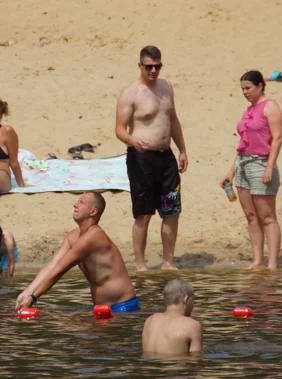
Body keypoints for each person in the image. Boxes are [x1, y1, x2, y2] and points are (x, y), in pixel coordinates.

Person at [115, 45, 188, 271]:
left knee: (171, 211)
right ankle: (140, 265)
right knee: (144, 213)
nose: (153, 71)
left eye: (157, 66)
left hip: (166, 157)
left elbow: (172, 119)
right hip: (141, 159)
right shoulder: (131, 93)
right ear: (140, 66)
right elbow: (119, 129)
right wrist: (132, 140)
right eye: (149, 67)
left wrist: (182, 150)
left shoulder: (166, 87)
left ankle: (168, 262)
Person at [15, 192, 139, 312]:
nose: (75, 205)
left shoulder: (95, 235)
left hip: (124, 306)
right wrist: (26, 292)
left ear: (93, 211)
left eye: (81, 202)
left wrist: (33, 298)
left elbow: (60, 270)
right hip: (101, 309)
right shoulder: (72, 237)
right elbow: (53, 265)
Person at [221, 70, 282, 270]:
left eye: (248, 88)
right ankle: (257, 260)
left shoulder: (271, 107)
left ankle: (272, 263)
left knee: (267, 216)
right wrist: (231, 171)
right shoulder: (248, 110)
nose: (245, 92)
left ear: (260, 86)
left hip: (261, 163)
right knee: (251, 216)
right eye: (242, 89)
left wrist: (269, 167)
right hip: (243, 163)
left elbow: (277, 138)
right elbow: (243, 143)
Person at [142, 277, 202, 355]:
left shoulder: (149, 320)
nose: (193, 304)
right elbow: (195, 360)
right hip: (175, 365)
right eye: (192, 300)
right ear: (185, 300)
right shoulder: (192, 325)